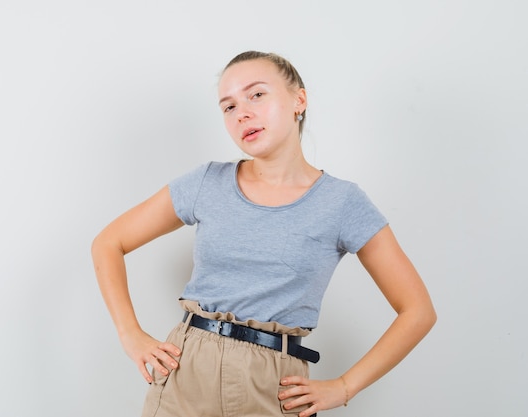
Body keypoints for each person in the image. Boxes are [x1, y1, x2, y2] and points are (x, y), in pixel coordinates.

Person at [91, 50, 436, 417]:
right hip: (185, 373)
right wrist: (130, 335)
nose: (242, 113)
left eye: (256, 94)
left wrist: (345, 386)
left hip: (274, 387)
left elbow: (417, 311)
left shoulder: (342, 203)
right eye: (228, 106)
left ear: (298, 100)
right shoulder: (206, 182)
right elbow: (108, 243)